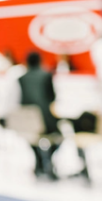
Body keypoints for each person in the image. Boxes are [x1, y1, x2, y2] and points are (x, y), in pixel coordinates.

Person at [18, 51, 62, 180]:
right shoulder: (46, 75)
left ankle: (39, 160)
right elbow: (52, 97)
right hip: (45, 120)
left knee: (32, 138)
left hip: (28, 120)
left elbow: (22, 100)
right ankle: (47, 160)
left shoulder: (22, 78)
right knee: (59, 137)